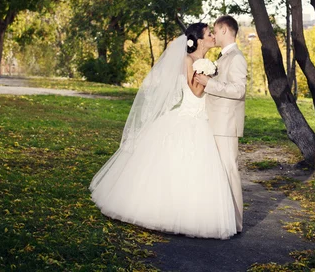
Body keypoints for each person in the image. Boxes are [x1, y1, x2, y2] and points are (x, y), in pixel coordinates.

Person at [89, 23, 237, 240]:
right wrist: (208, 75)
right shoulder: (188, 60)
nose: (213, 37)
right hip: (188, 117)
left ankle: (191, 213)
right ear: (197, 40)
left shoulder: (207, 62)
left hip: (201, 120)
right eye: (208, 34)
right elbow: (195, 92)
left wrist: (210, 72)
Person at [195, 15, 247, 233]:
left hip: (226, 125)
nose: (213, 35)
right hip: (215, 122)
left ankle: (235, 222)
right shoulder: (224, 56)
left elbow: (239, 90)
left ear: (225, 30)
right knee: (219, 173)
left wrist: (210, 83)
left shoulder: (236, 58)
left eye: (215, 31)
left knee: (229, 171)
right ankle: (222, 219)